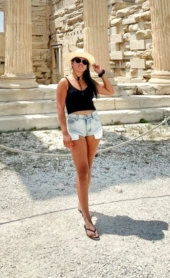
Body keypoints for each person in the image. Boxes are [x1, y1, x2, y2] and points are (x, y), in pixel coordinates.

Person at [56, 50, 115, 240]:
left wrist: (102, 73)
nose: (81, 63)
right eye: (77, 60)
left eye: (84, 62)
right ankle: (88, 219)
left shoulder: (90, 82)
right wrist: (64, 132)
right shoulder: (64, 82)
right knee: (82, 170)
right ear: (71, 63)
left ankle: (82, 204)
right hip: (75, 126)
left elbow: (110, 91)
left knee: (88, 168)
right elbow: (59, 108)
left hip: (94, 123)